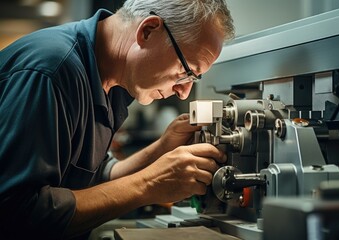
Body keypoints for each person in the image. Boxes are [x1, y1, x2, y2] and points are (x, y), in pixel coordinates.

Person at [0, 0, 235, 239]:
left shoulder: (114, 84)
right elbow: (17, 213)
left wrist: (161, 151)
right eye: (187, 71)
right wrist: (149, 184)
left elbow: (94, 179)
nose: (183, 92)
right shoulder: (52, 72)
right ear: (147, 30)